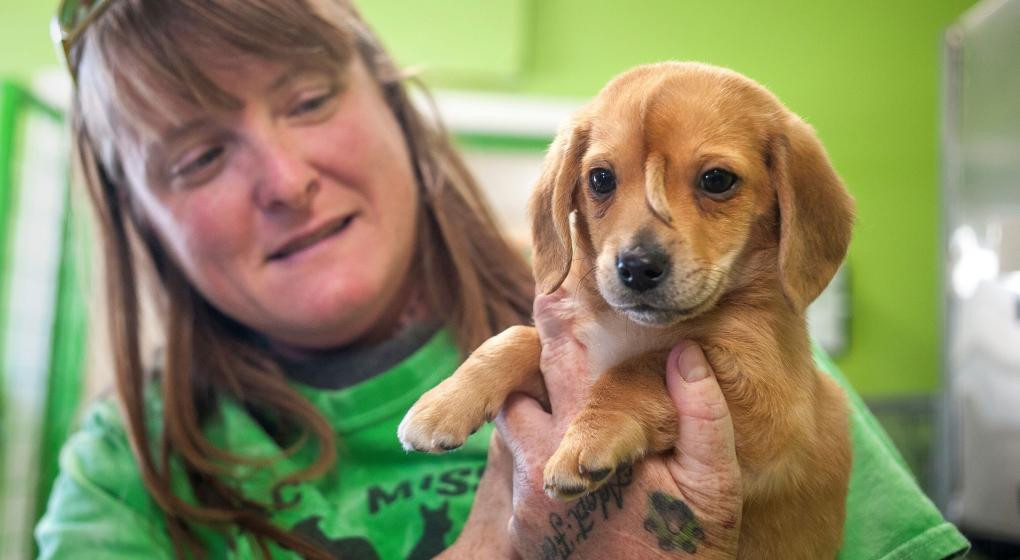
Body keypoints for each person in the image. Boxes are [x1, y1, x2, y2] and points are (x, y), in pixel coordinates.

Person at [37, 1, 745, 558]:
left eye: (309, 101)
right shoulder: (123, 475)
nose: (285, 181)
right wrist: (491, 545)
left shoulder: (678, 314)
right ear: (143, 219)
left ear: (394, 104)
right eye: (198, 158)